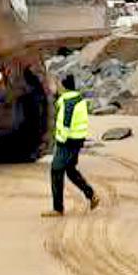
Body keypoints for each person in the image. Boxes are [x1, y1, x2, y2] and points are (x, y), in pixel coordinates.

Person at [42, 74, 99, 217]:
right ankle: (91, 195)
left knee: (56, 171)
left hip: (67, 142)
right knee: (71, 171)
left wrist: (60, 140)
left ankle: (58, 208)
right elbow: (57, 100)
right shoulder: (77, 99)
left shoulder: (68, 102)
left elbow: (66, 122)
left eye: (60, 85)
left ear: (64, 87)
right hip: (77, 140)